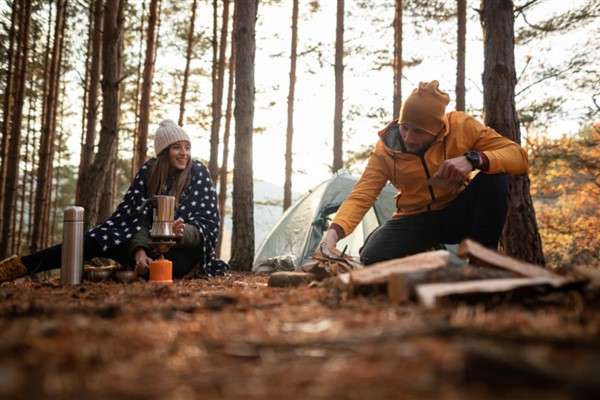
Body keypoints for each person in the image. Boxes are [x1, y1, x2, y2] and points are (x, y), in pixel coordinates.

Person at [318, 80, 528, 265]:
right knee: (372, 257)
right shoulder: (385, 151)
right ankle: (429, 250)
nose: (409, 138)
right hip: (414, 218)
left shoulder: (461, 127)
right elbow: (362, 195)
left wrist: (475, 159)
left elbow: (518, 156)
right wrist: (333, 234)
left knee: (496, 180)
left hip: (458, 213)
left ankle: (481, 265)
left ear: (438, 130)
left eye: (419, 131)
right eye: (405, 127)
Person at [0, 119, 228, 282]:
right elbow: (132, 219)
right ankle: (19, 267)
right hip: (145, 243)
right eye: (177, 147)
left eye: (187, 147)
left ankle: (132, 267)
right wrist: (139, 251)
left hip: (182, 250)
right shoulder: (149, 173)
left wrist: (181, 232)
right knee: (95, 238)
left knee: (168, 268)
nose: (184, 153)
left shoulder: (198, 172)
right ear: (164, 151)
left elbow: (207, 225)